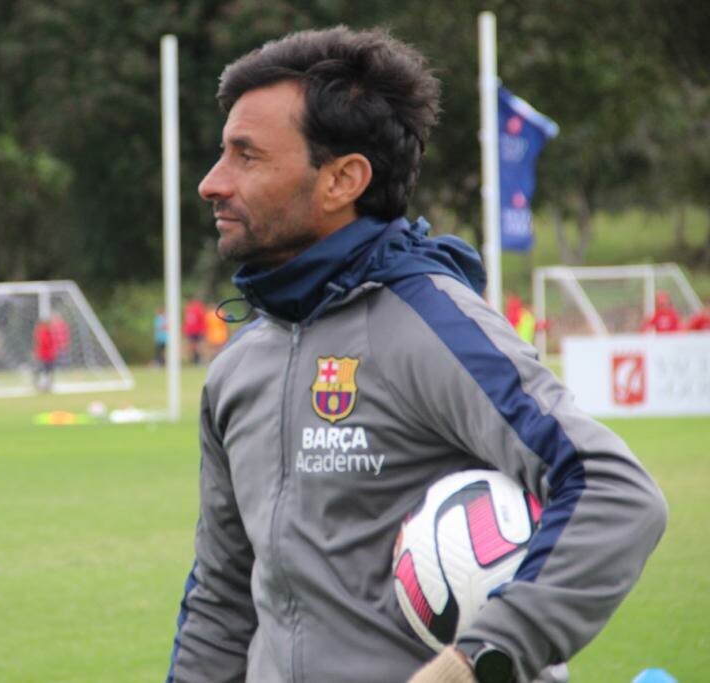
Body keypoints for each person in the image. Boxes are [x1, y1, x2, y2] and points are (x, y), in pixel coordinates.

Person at [166, 27, 667, 683]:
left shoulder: (432, 326)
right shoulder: (239, 366)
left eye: (247, 156)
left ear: (343, 178)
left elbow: (615, 491)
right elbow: (222, 595)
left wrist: (476, 659)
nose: (212, 182)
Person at [33, 317, 57, 392]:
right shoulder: (43, 332)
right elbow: (45, 343)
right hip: (45, 356)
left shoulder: (46, 331)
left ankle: (46, 385)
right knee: (45, 371)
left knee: (48, 371)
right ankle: (43, 386)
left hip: (47, 355)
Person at [183, 297, 207, 364]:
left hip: (198, 331)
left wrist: (202, 330)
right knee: (191, 346)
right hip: (191, 331)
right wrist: (185, 330)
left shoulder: (198, 309)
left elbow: (202, 320)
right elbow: (187, 321)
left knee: (199, 346)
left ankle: (201, 359)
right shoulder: (187, 309)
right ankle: (194, 359)